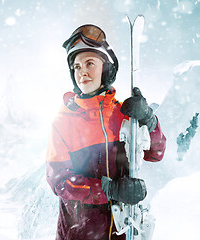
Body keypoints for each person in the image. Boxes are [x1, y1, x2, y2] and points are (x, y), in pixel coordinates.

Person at [45, 24, 166, 240]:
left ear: (107, 69)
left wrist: (149, 120)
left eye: (90, 63)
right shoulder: (63, 122)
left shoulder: (124, 115)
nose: (82, 71)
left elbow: (155, 153)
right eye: (77, 67)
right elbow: (59, 181)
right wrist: (108, 190)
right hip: (79, 234)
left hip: (122, 232)